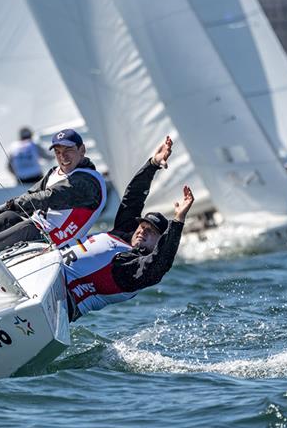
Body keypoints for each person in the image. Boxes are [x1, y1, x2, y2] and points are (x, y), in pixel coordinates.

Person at [60, 136, 194, 322]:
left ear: (159, 242)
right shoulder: (122, 233)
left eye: (151, 232)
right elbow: (134, 197)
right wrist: (153, 163)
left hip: (58, 300)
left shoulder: (134, 270)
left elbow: (162, 262)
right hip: (44, 267)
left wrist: (178, 221)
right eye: (143, 226)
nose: (143, 231)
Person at [0, 129, 107, 251]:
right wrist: (5, 207)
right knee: (8, 217)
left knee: (23, 229)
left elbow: (48, 197)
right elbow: (31, 194)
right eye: (57, 152)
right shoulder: (54, 172)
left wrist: (11, 205)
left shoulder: (88, 181)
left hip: (51, 241)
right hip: (36, 228)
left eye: (68, 150)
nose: (62, 156)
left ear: (82, 150)